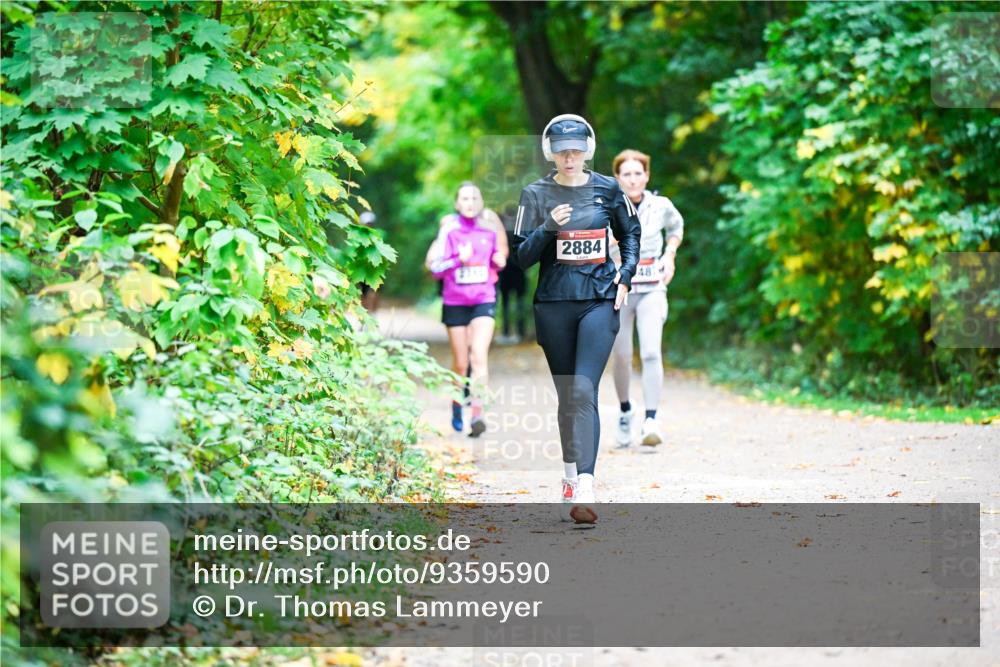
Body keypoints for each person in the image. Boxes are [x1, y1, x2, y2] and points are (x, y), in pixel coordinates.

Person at [512, 114, 640, 524]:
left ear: (588, 151)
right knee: (569, 396)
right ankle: (569, 473)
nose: (570, 157)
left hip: (600, 300)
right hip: (553, 304)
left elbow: (630, 235)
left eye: (577, 150)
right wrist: (548, 227)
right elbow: (520, 258)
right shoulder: (533, 194)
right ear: (551, 152)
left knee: (584, 390)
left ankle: (586, 485)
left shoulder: (608, 189)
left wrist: (625, 275)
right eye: (563, 151)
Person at [609, 150, 684, 447]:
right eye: (626, 174)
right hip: (619, 290)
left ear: (647, 176)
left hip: (652, 285)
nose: (633, 179)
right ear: (617, 178)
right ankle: (626, 411)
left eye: (638, 173)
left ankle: (651, 419)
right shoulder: (607, 206)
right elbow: (593, 242)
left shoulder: (661, 205)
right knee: (622, 356)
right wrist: (611, 240)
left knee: (652, 352)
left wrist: (670, 253)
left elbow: (676, 228)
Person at [426, 182, 507, 437]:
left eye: (474, 198)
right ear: (457, 204)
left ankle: (478, 415)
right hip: (455, 303)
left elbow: (496, 263)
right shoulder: (450, 232)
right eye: (465, 198)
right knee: (461, 364)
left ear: (480, 202)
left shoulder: (489, 232)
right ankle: (456, 405)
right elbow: (435, 269)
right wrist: (457, 260)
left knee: (478, 357)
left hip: (483, 299)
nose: (470, 202)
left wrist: (498, 262)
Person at [496, 206, 529, 344]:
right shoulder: (521, 226)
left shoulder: (502, 226)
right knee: (516, 301)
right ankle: (519, 331)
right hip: (517, 269)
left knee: (507, 302)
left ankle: (507, 331)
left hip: (508, 270)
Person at [358, 211, 379, 312]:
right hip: (361, 269)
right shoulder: (357, 236)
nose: (368, 226)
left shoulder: (379, 235)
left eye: (370, 224)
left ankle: (373, 313)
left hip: (375, 269)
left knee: (374, 291)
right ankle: (364, 315)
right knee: (362, 293)